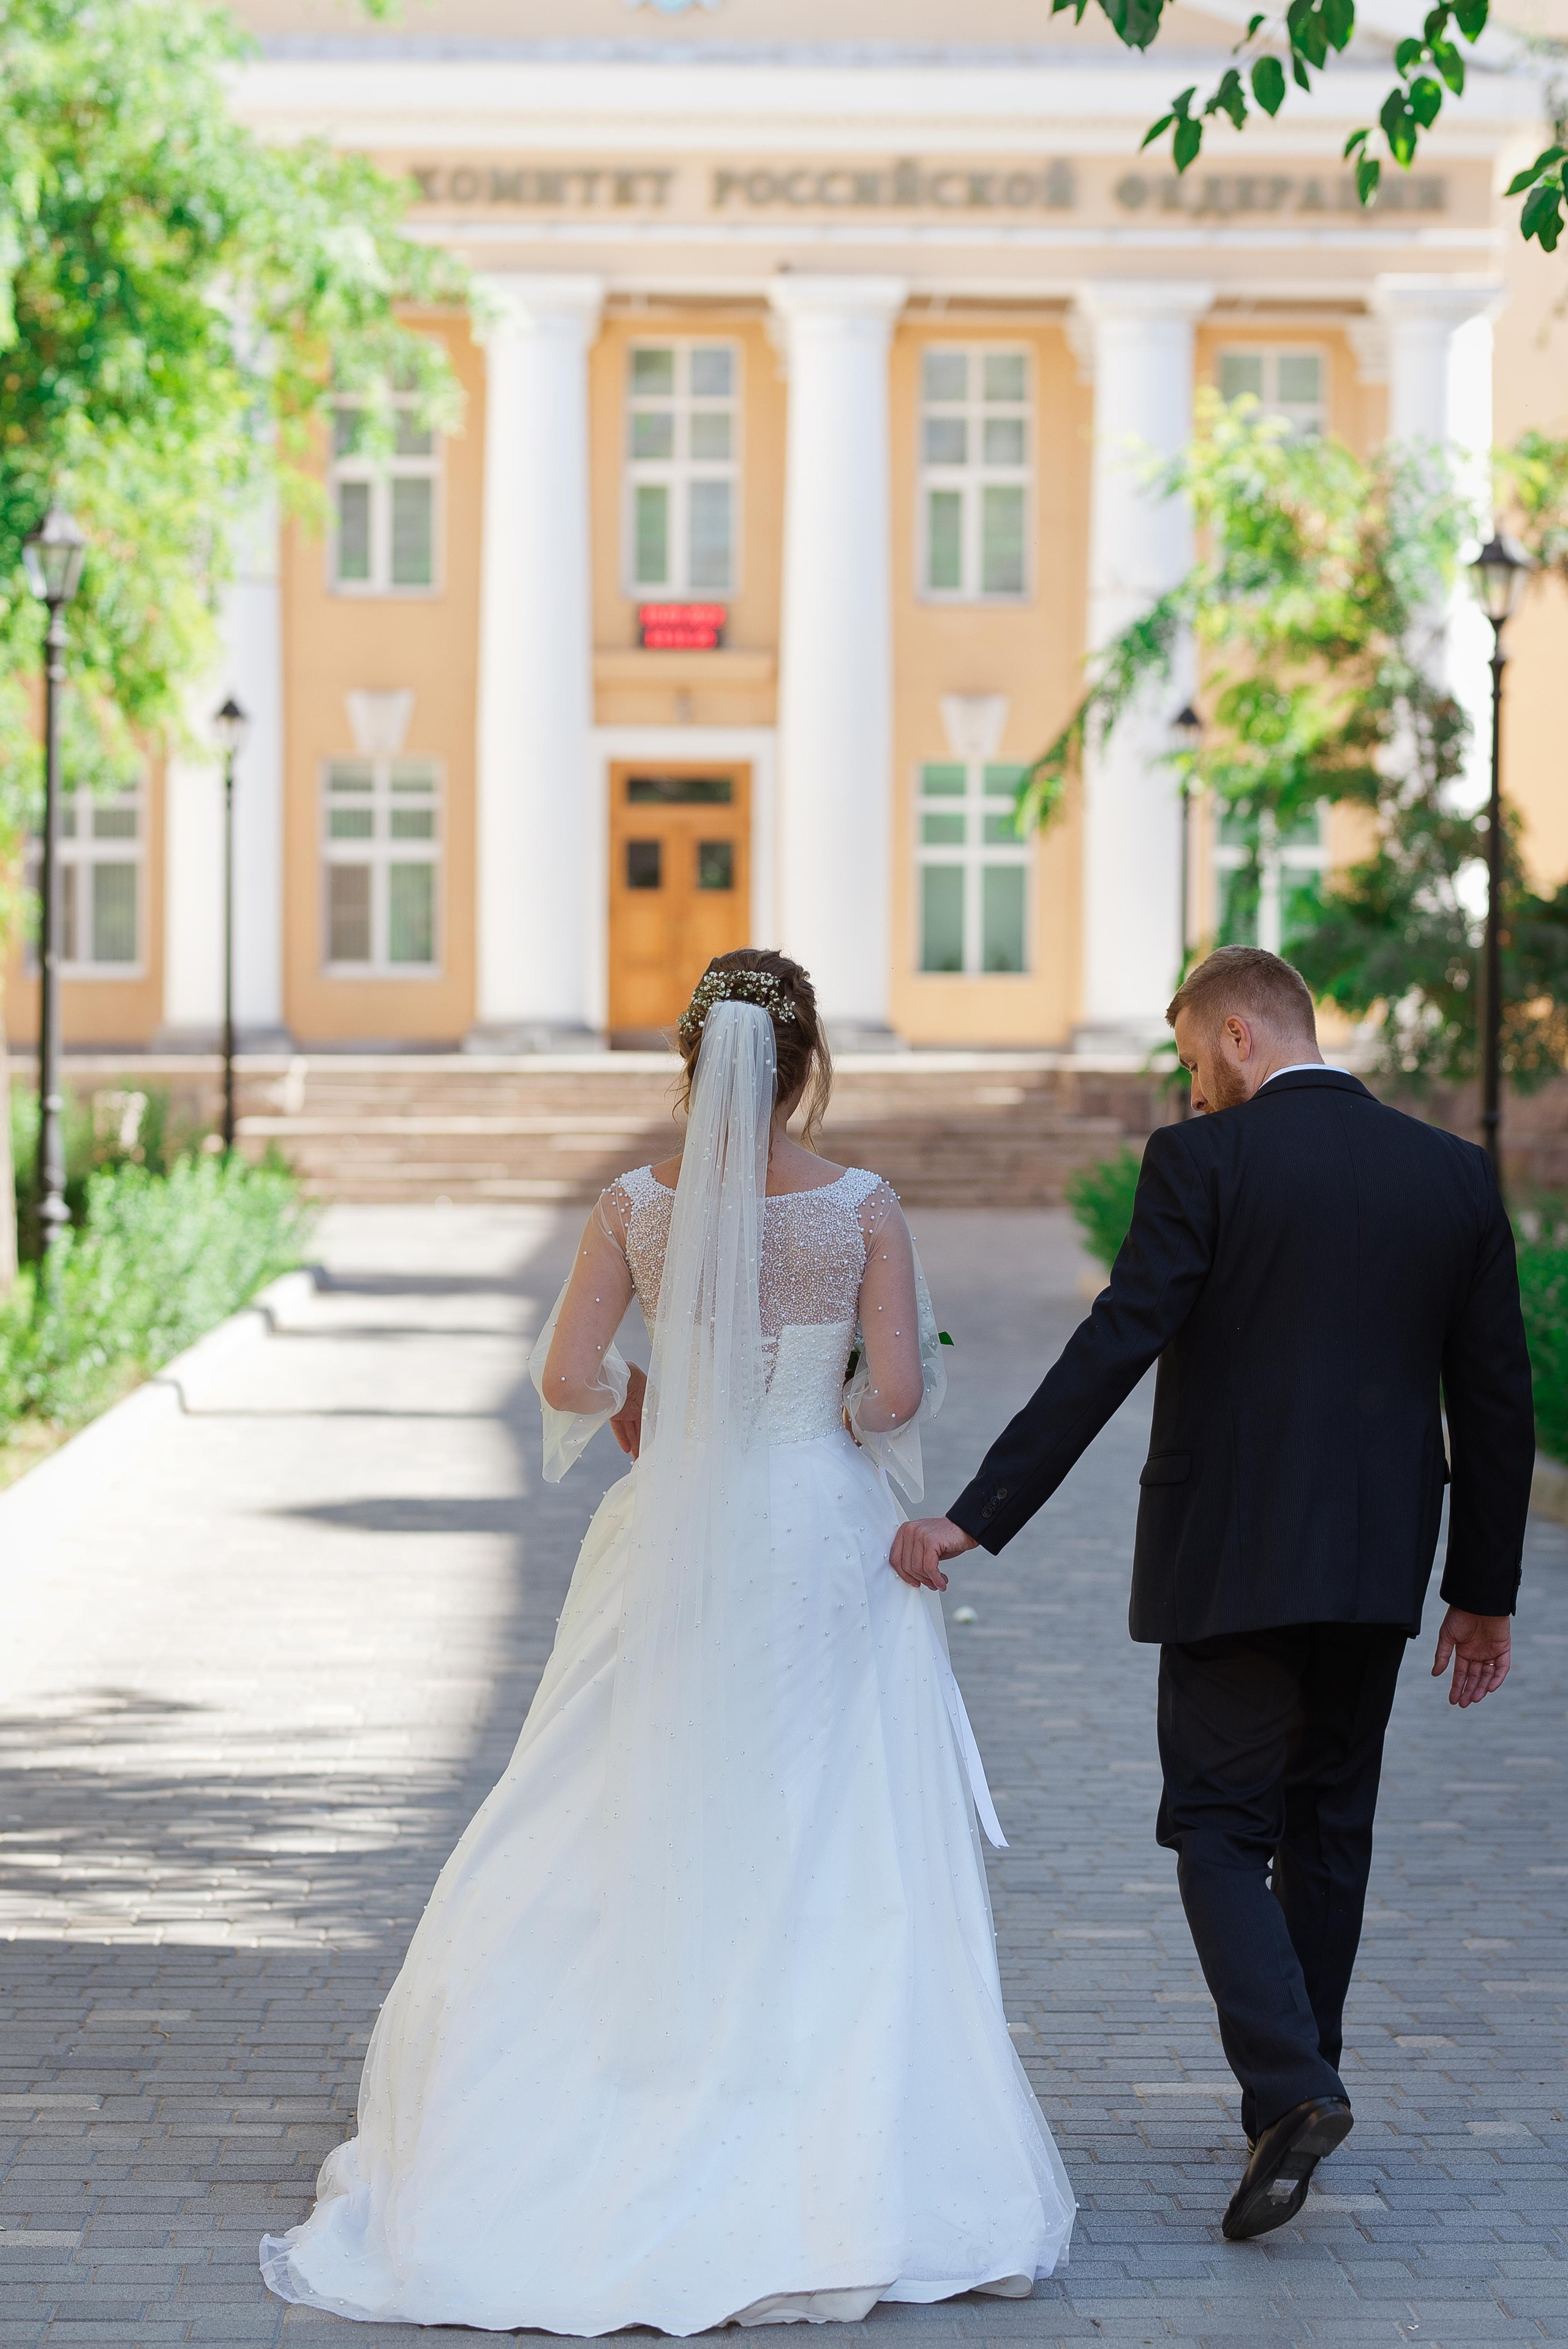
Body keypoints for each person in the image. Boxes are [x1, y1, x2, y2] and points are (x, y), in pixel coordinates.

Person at [261, 948, 1074, 2335]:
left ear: (691, 1066)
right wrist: (868, 1386)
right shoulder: (861, 1206)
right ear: (806, 1064)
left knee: (616, 1783)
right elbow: (887, 1396)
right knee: (820, 1821)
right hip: (813, 1535)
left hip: (671, 1519)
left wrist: (650, 1385)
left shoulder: (635, 1205)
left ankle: (579, 2102)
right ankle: (819, 2136)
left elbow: (565, 1376)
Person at [892, 945, 1535, 2244]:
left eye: (1191, 1058)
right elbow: (1494, 1401)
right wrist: (1481, 1591)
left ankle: (1292, 2088)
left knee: (1214, 1827)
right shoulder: (1449, 1172)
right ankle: (1287, 2101)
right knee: (1328, 1826)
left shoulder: (1200, 1166)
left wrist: (978, 1511)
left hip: (1228, 1558)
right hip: (1374, 1567)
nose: (1188, 1089)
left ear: (1239, 1035)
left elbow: (1113, 1342)